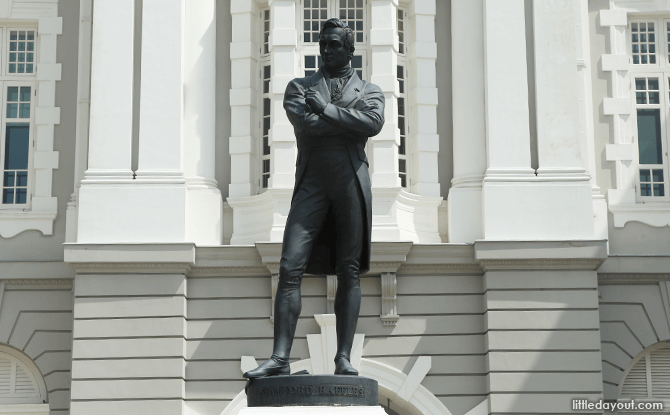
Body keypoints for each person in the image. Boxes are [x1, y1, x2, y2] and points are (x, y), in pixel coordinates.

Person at [243, 18, 385, 379]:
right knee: (290, 265)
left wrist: (324, 109)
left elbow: (372, 124)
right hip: (312, 184)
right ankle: (279, 357)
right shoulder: (299, 87)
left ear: (350, 50)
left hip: (351, 183)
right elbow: (305, 125)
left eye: (334, 44)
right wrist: (339, 120)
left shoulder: (370, 90)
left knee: (349, 271)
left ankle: (343, 357)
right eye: (322, 43)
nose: (326, 49)